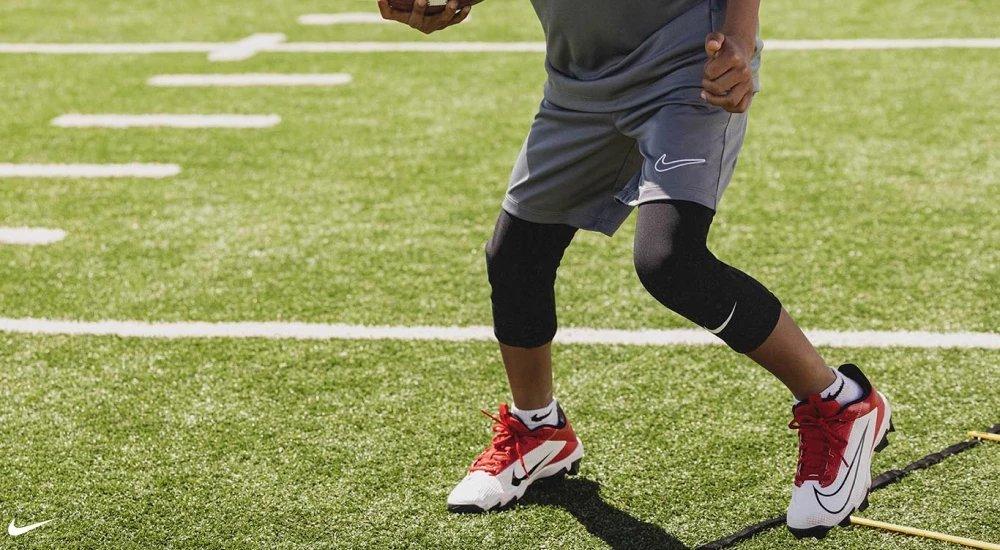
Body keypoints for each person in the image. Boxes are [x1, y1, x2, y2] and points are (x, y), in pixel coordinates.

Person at [378, 0, 894, 539]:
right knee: (514, 256)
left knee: (670, 261)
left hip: (688, 64)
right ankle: (539, 430)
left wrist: (740, 35)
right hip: (579, 77)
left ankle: (841, 403)